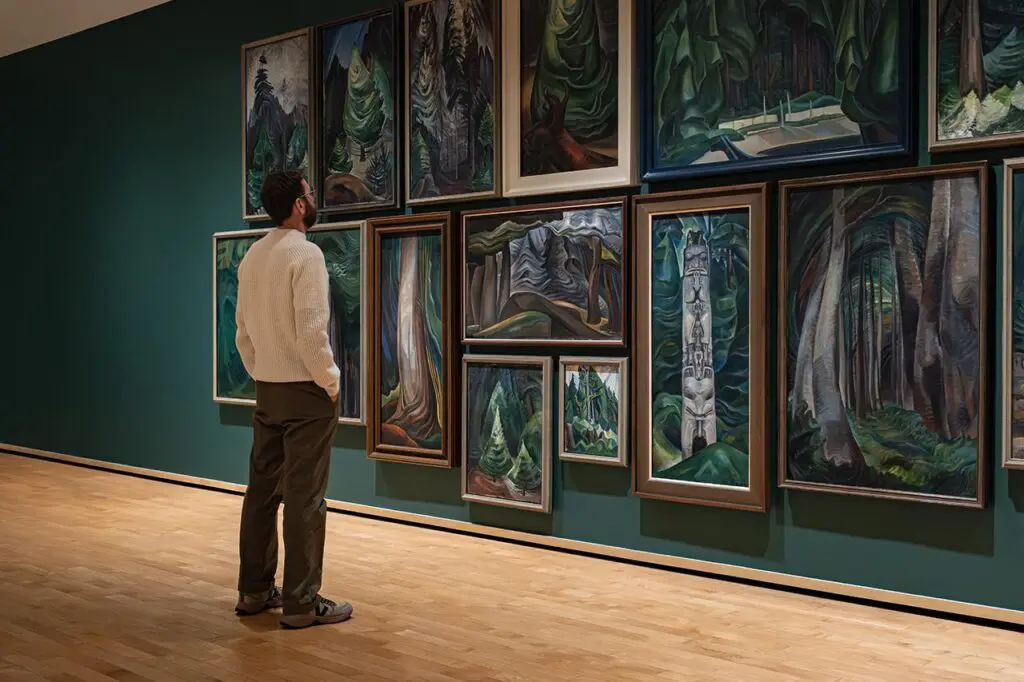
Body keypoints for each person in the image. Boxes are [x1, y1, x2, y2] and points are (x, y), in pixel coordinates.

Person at [231, 169, 352, 629]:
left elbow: (242, 333)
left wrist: (263, 371)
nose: (314, 198)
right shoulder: (306, 254)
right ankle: (302, 602)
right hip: (306, 394)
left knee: (261, 492)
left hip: (268, 391)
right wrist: (331, 380)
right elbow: (311, 332)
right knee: (305, 498)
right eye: (310, 193)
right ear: (299, 205)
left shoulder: (251, 257)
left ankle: (254, 590)